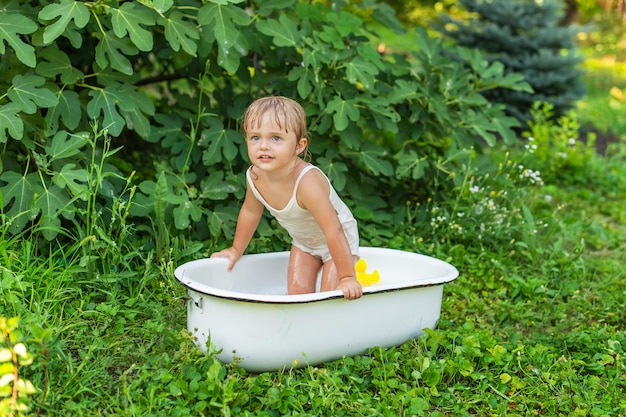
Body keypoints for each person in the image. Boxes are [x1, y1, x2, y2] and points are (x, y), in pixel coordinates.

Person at [210, 96, 363, 300]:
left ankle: (342, 283)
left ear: (299, 146)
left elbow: (333, 229)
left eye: (276, 138)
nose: (263, 146)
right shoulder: (255, 176)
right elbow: (250, 211)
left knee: (330, 298)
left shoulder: (306, 182)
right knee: (297, 296)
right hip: (303, 242)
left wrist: (346, 277)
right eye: (255, 137)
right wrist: (236, 249)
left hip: (338, 238)